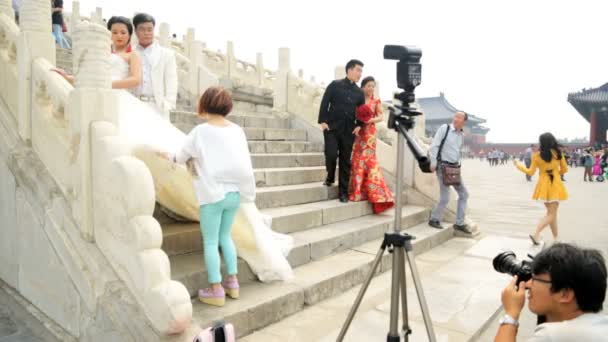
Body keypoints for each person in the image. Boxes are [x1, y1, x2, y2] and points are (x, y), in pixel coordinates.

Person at [163, 87, 255, 307]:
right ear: (227, 106)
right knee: (226, 237)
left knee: (212, 241)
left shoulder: (200, 132)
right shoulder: (237, 131)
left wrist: (165, 154)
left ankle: (215, 289)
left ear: (204, 104)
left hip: (212, 194)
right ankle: (232, 283)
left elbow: (180, 156)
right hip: (234, 193)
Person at [495, 243, 608, 342]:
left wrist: (511, 313)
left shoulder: (554, 335)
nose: (528, 284)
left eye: (535, 279)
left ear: (565, 294)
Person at [318, 59, 365, 203]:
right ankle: (330, 176)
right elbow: (325, 102)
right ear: (349, 70)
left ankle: (343, 192)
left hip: (348, 131)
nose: (360, 74)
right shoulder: (335, 85)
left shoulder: (359, 92)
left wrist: (359, 125)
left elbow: (362, 112)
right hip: (332, 128)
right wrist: (323, 121)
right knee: (331, 155)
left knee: (345, 161)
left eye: (361, 71)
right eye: (358, 70)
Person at [52, 16, 141, 90]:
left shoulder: (132, 55)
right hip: (97, 91)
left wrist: (106, 84)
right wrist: (67, 77)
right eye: (114, 32)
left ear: (129, 35)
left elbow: (136, 80)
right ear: (108, 33)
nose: (119, 35)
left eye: (123, 32)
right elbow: (89, 77)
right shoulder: (101, 53)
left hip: (117, 95)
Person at [348, 76, 394, 213]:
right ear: (362, 87)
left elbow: (381, 116)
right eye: (368, 85)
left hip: (369, 135)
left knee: (369, 162)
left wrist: (369, 119)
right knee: (357, 161)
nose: (371, 88)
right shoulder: (358, 100)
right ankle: (357, 192)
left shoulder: (376, 101)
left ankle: (378, 194)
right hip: (358, 133)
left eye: (373, 86)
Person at [514, 133, 568, 245]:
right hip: (555, 184)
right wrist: (555, 173)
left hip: (543, 185)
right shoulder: (558, 154)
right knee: (552, 214)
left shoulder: (536, 155)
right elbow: (564, 169)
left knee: (552, 213)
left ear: (542, 142)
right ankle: (536, 233)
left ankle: (556, 238)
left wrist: (517, 165)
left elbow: (530, 172)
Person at [428, 111, 473, 234]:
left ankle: (459, 223)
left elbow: (456, 151)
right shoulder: (445, 128)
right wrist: (433, 162)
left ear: (464, 121)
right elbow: (434, 145)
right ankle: (434, 219)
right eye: (455, 116)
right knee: (445, 197)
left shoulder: (461, 135)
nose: (456, 119)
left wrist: (458, 166)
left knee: (464, 194)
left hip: (454, 168)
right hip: (443, 167)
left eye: (459, 117)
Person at [132, 13, 178, 121]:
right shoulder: (130, 53)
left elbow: (172, 80)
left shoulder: (166, 54)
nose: (146, 33)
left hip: (157, 106)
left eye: (150, 29)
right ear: (135, 31)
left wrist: (168, 104)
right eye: (142, 29)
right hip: (133, 105)